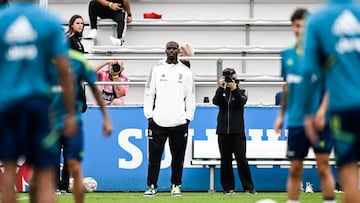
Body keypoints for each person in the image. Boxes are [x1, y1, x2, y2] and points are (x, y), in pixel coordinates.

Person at [0, 1, 77, 203]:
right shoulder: (49, 20)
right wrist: (69, 112)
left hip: (7, 104)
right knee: (44, 174)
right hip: (37, 102)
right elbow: (63, 68)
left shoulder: (2, 19)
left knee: (8, 172)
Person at [273, 8, 335, 203]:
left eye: (305, 26)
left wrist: (322, 111)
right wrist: (281, 116)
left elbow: (330, 87)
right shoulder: (287, 55)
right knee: (294, 169)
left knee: (323, 166)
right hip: (297, 121)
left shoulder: (321, 55)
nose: (301, 29)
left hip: (320, 121)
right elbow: (287, 88)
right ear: (293, 27)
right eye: (298, 25)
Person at [301, 0, 360, 202]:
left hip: (343, 107)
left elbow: (309, 72)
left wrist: (308, 113)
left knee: (349, 176)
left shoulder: (318, 20)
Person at [50, 49, 113, 203]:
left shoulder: (78, 60)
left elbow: (94, 88)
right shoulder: (42, 59)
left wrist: (106, 118)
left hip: (73, 121)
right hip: (49, 122)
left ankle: (66, 188)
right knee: (42, 170)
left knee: (74, 166)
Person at [143, 41, 196, 197]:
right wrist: (149, 115)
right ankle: (152, 186)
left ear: (178, 51)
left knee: (178, 158)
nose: (171, 51)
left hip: (179, 122)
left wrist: (188, 117)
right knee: (154, 157)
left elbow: (190, 96)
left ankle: (176, 185)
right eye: (169, 48)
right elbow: (149, 93)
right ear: (165, 50)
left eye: (174, 49)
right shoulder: (157, 69)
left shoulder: (186, 71)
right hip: (158, 121)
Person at [212, 68, 257, 195]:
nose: (228, 78)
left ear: (236, 76)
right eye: (226, 76)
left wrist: (234, 88)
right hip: (222, 131)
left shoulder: (242, 90)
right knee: (225, 160)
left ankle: (249, 187)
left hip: (237, 131)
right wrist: (221, 87)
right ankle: (228, 188)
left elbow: (241, 102)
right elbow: (216, 101)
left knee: (241, 159)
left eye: (230, 76)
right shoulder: (222, 91)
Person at [56, 14, 86, 195]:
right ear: (71, 25)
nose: (81, 25)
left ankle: (63, 184)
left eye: (82, 23)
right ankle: (58, 183)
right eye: (77, 22)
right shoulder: (69, 41)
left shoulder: (79, 43)